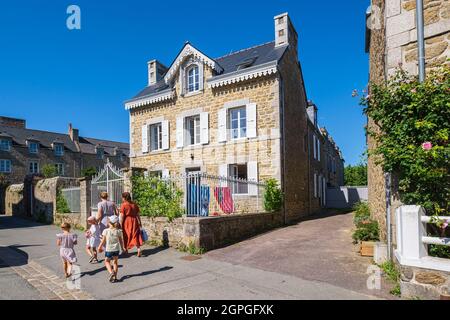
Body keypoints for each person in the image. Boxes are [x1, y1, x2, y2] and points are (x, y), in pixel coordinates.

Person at [98, 215, 124, 283]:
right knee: (115, 262)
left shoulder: (105, 231)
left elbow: (103, 241)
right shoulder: (118, 231)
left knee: (107, 261)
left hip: (109, 249)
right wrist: (123, 249)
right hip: (116, 249)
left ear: (109, 222)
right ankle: (115, 277)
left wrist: (99, 247)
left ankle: (111, 273)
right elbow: (121, 241)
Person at [120, 192, 143, 257]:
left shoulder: (123, 205)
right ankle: (138, 249)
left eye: (122, 197)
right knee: (135, 235)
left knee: (126, 235)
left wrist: (120, 223)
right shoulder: (134, 204)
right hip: (135, 221)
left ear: (124, 197)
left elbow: (122, 215)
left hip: (127, 222)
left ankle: (126, 250)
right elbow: (138, 214)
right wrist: (140, 222)